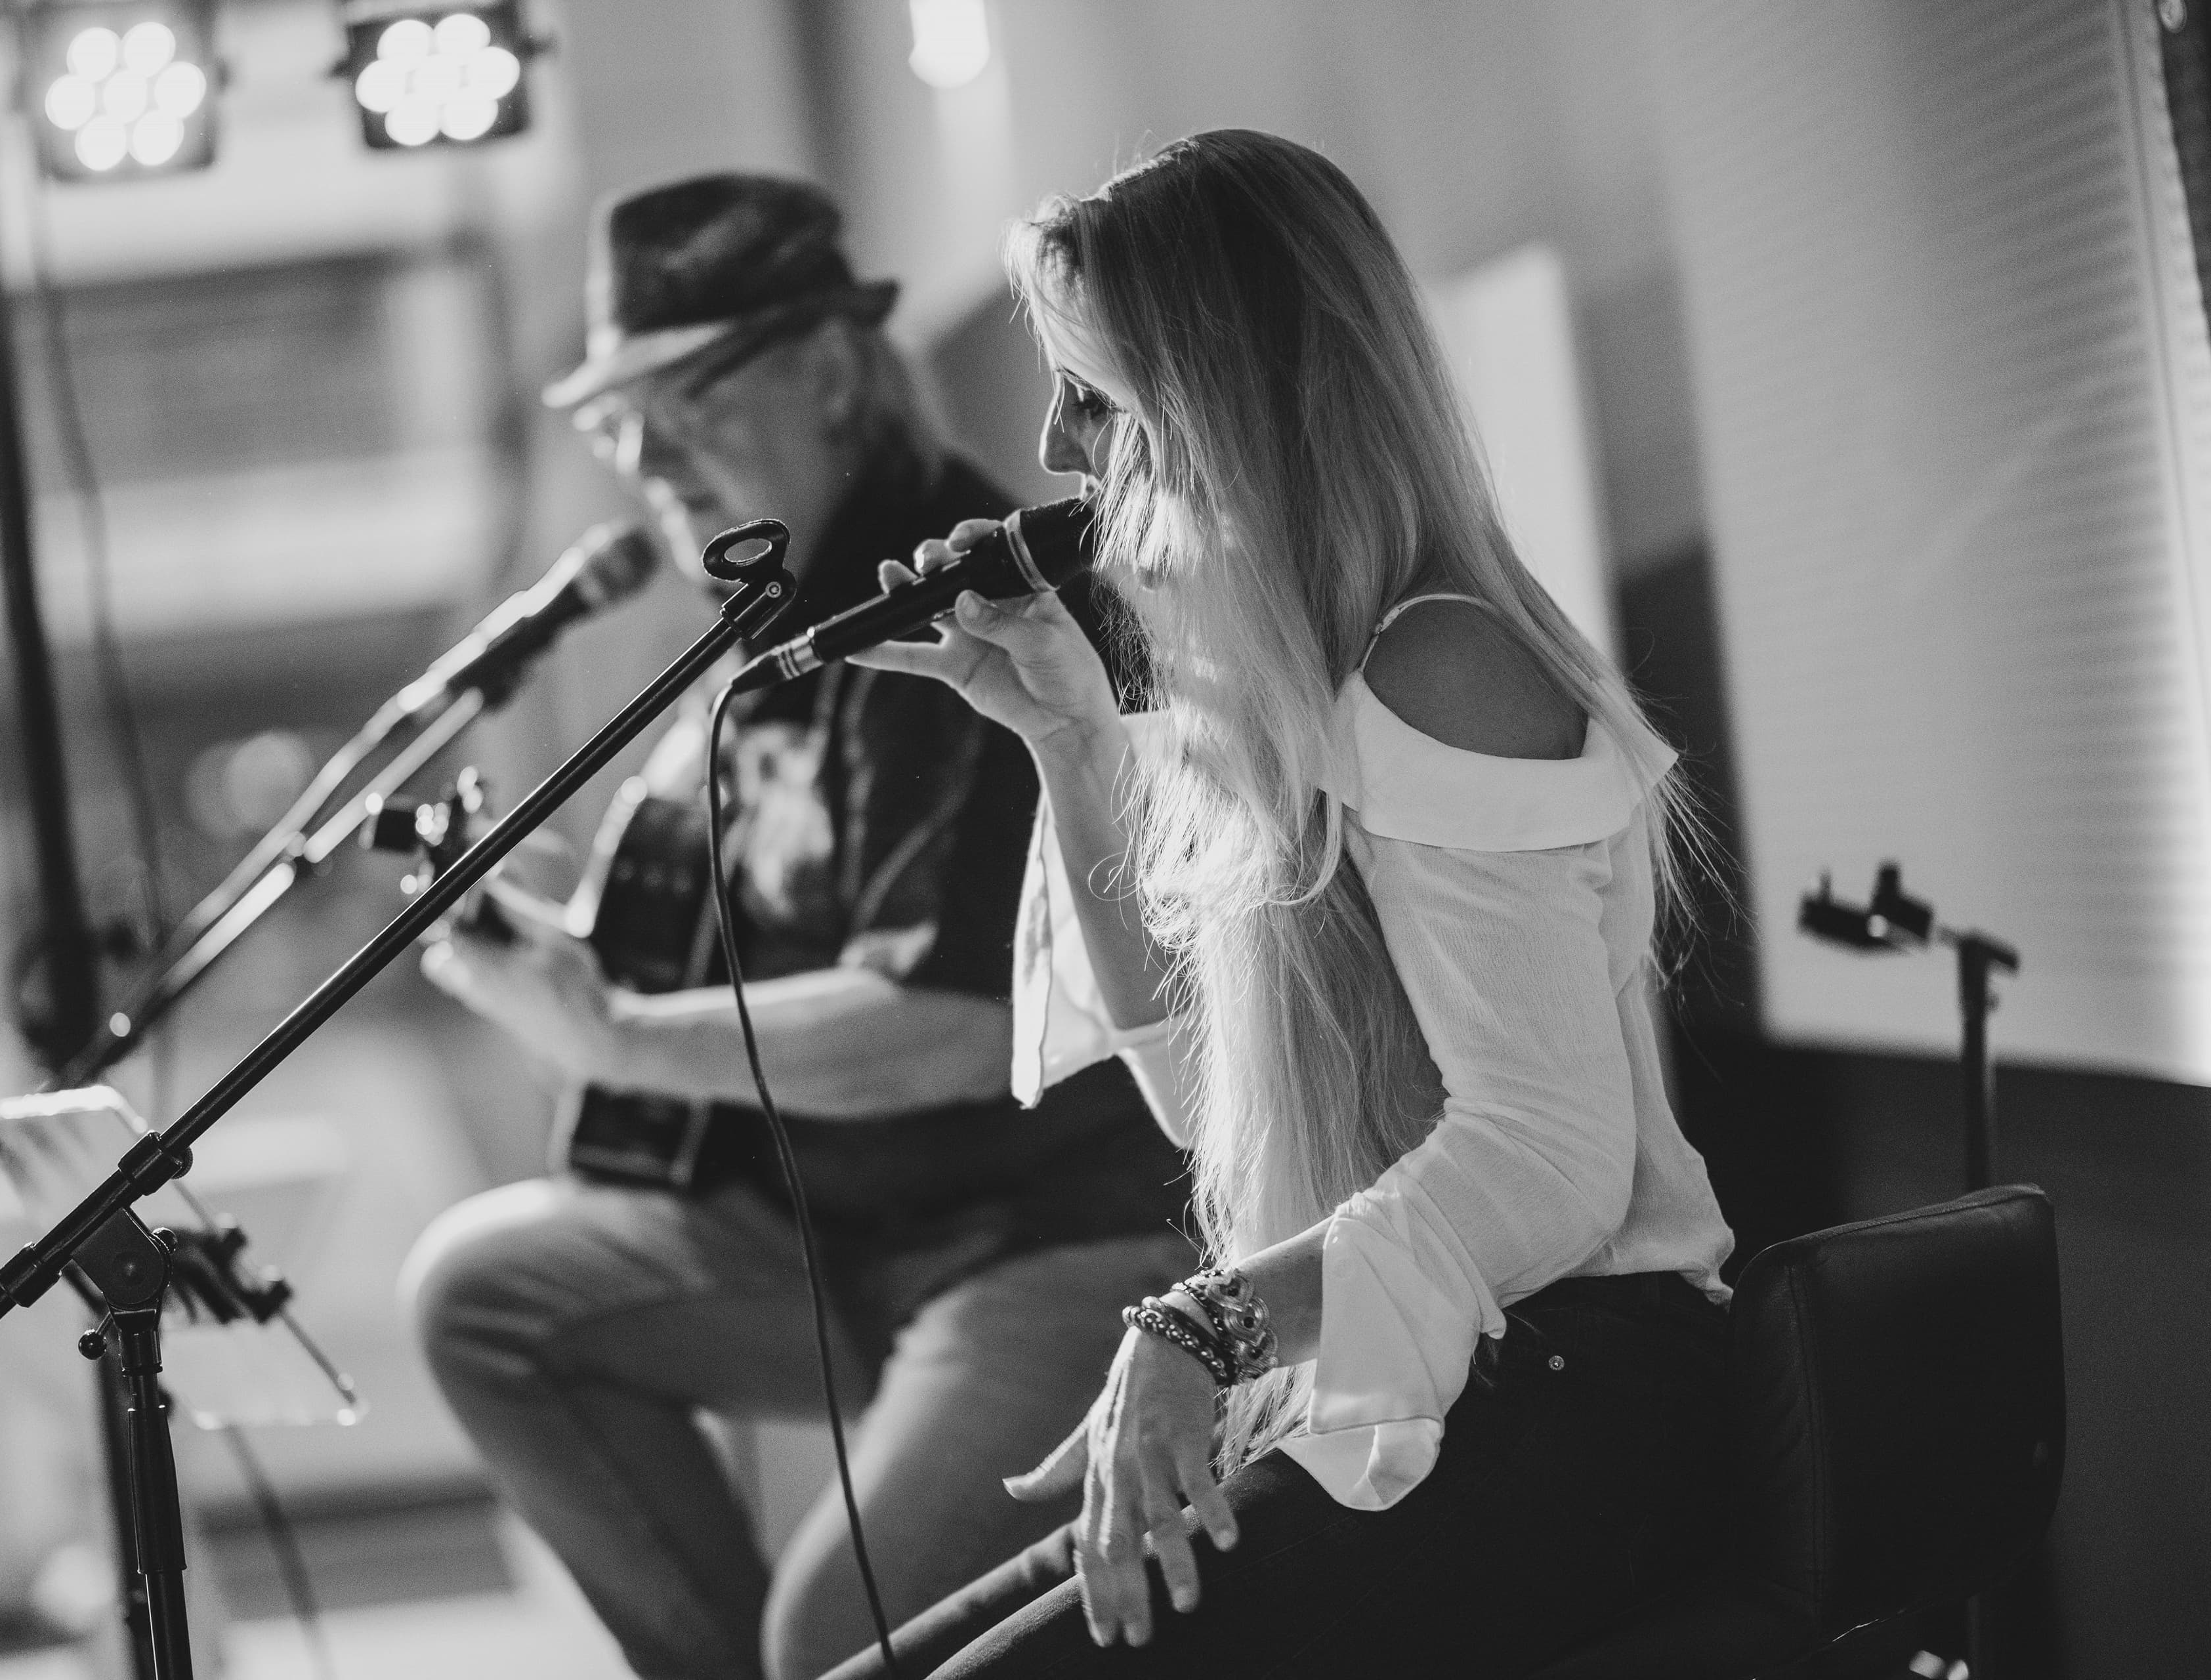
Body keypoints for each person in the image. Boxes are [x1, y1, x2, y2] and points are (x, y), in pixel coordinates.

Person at [831, 129, 1738, 1677]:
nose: (1055, 446)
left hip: (1574, 1401)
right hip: (1416, 1384)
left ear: (1235, 393)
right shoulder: (1269, 688)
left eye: (1095, 394)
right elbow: (1211, 1109)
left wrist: (1202, 1326)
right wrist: (1067, 736)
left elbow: (1551, 1159)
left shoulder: (1441, 665)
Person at [397, 174, 1193, 1680]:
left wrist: (616, 1035)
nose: (641, 456)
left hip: (1053, 1231)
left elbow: (951, 1023)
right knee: (481, 1291)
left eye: (678, 397)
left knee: (840, 1630)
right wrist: (552, 952)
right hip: (841, 1236)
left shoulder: (971, 593)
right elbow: (717, 948)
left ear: (828, 371)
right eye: (609, 419)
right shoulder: (755, 640)